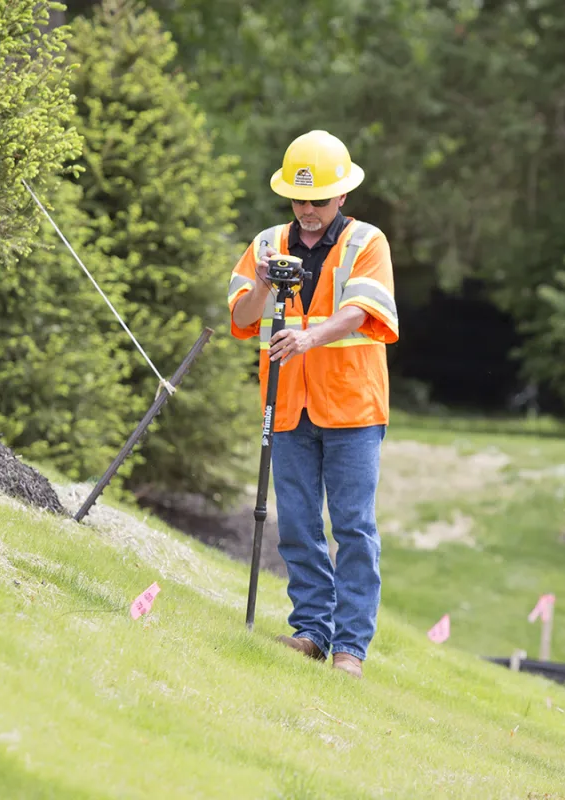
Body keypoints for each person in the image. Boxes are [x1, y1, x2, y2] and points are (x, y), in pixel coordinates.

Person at [226, 130, 400, 679]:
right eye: (298, 199)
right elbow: (241, 317)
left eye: (317, 200)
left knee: (352, 527)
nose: (306, 210)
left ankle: (350, 647)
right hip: (286, 406)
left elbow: (359, 313)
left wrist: (309, 337)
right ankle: (312, 632)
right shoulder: (267, 243)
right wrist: (260, 284)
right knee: (299, 526)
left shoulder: (367, 243)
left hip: (352, 408)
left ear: (342, 196)